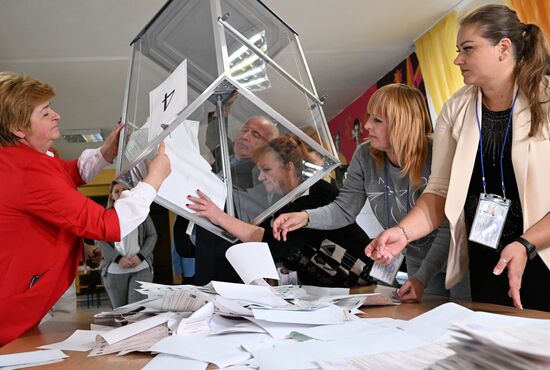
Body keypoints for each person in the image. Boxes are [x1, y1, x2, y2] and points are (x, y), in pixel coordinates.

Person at [365, 5, 550, 311]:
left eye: (467, 49)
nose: (457, 60)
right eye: (457, 50)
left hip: (540, 254)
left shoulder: (544, 99)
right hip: (486, 256)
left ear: (503, 48)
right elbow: (439, 191)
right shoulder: (456, 109)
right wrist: (403, 233)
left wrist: (526, 242)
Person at [0, 72, 171, 345]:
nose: (56, 115)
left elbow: (65, 173)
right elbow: (108, 226)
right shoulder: (27, 171)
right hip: (15, 308)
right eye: (44, 113)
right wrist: (155, 180)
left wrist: (105, 153)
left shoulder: (31, 157)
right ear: (19, 129)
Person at [273, 84, 471, 302]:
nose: (367, 125)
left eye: (377, 120)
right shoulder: (365, 156)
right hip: (417, 263)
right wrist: (305, 217)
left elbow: (449, 224)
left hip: (460, 261)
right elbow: (344, 210)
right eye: (369, 117)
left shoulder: (437, 153)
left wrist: (422, 277)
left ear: (401, 123)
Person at [187, 134, 373, 287]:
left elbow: (273, 246)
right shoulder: (287, 202)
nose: (260, 177)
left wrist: (217, 215)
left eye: (266, 169)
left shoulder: (316, 195)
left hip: (367, 282)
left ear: (288, 168)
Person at [174, 108, 279, 285]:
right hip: (204, 252)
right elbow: (216, 141)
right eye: (245, 129)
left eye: (256, 135)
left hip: (231, 260)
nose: (245, 136)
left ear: (268, 148)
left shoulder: (259, 175)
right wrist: (222, 110)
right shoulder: (226, 160)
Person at [95, 182, 158, 308]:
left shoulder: (142, 212)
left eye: (124, 189)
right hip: (115, 270)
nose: (121, 193)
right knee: (122, 314)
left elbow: (152, 235)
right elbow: (99, 240)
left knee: (136, 311)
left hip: (141, 267)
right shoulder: (105, 216)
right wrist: (118, 259)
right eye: (117, 191)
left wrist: (140, 256)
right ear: (112, 196)